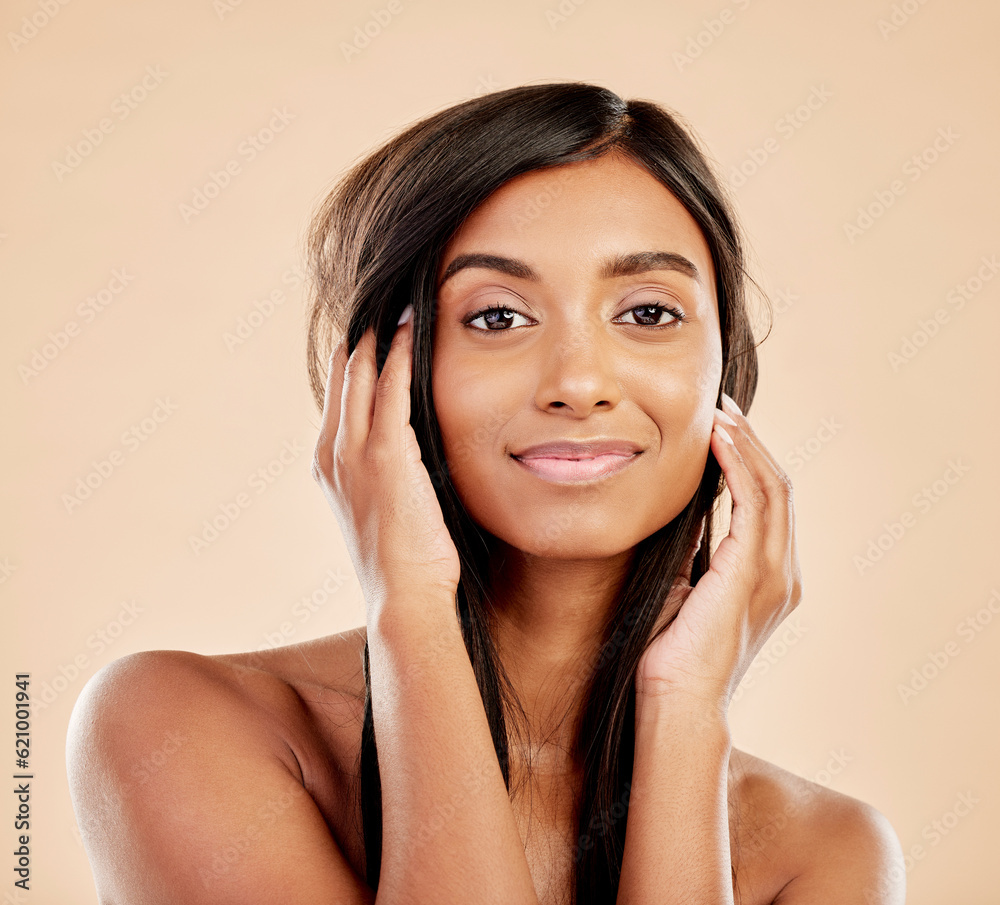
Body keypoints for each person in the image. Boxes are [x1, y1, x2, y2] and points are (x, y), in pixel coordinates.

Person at [66, 82, 905, 904]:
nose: (579, 382)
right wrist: (411, 609)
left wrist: (685, 714)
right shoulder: (176, 728)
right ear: (381, 377)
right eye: (497, 316)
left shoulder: (825, 854)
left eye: (649, 313)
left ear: (727, 372)